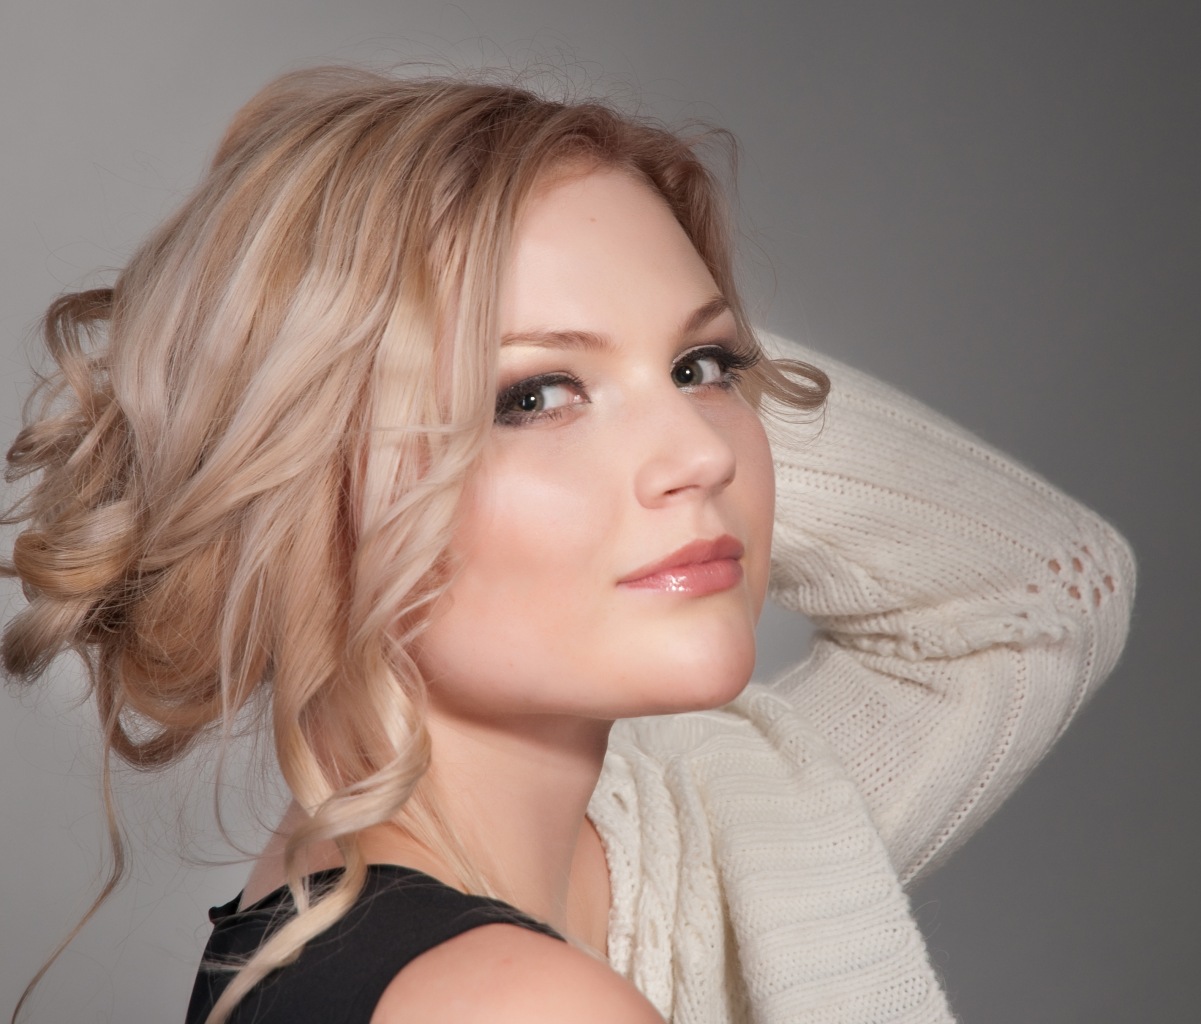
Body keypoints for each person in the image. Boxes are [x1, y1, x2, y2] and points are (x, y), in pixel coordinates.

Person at [2, 67, 1134, 1024]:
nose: (701, 451)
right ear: (303, 483)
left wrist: (599, 319)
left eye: (704, 367)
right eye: (534, 396)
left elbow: (1042, 589)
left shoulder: (666, 854)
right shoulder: (511, 1002)